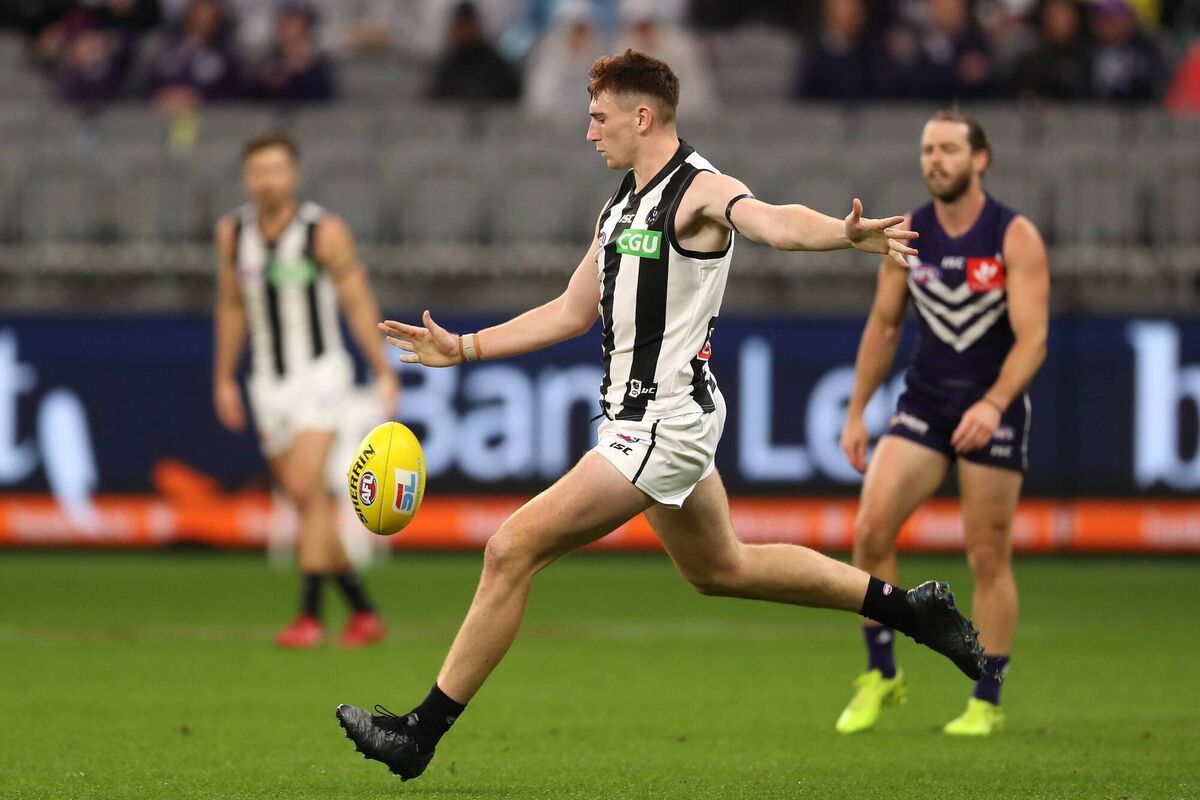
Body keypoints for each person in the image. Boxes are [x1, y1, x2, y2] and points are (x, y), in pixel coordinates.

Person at [334, 49, 985, 781]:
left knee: (510, 549)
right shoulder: (620, 204)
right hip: (649, 422)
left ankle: (419, 733)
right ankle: (911, 611)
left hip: (663, 424)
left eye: (599, 117)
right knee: (721, 568)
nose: (590, 133)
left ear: (642, 116)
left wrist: (843, 232)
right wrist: (465, 347)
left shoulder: (700, 190)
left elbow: (769, 220)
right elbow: (574, 309)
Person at [834, 109, 1049, 737]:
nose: (936, 159)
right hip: (925, 403)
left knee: (987, 553)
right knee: (871, 530)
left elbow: (1033, 339)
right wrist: (855, 411)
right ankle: (882, 674)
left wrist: (993, 404)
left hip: (994, 406)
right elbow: (884, 325)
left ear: (980, 159)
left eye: (950, 149)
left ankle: (986, 696)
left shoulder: (1014, 235)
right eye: (928, 148)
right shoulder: (908, 234)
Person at [213, 133, 397, 649]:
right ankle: (363, 611)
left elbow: (357, 301)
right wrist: (224, 376)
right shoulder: (232, 234)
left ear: (293, 175)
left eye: (277, 169)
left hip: (320, 375)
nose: (267, 180)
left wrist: (382, 368)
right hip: (267, 383)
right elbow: (231, 305)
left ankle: (310, 615)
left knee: (303, 487)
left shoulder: (323, 231)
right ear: (247, 178)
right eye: (258, 171)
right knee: (305, 499)